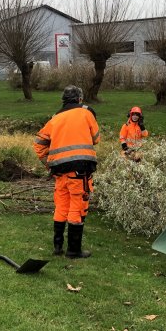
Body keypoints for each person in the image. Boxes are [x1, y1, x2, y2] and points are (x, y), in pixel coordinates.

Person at [33, 85, 100, 259]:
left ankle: (57, 247)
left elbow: (38, 143)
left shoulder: (55, 118)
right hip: (80, 170)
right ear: (80, 99)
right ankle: (73, 250)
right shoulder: (87, 113)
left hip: (59, 171)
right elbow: (96, 139)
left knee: (62, 205)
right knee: (77, 207)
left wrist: (48, 163)